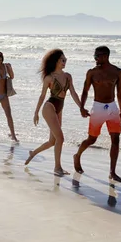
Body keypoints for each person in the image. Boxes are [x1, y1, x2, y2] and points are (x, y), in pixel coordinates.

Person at [25, 49, 82, 177]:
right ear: (56, 61)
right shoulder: (49, 77)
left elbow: (73, 93)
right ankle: (57, 167)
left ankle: (33, 153)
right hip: (49, 107)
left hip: (59, 108)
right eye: (62, 59)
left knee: (52, 141)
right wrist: (36, 112)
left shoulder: (68, 76)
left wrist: (81, 107)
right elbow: (42, 96)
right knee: (60, 138)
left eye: (65, 60)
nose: (64, 62)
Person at [73, 46, 121, 182]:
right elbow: (85, 91)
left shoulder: (117, 72)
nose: (95, 59)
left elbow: (120, 92)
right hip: (98, 107)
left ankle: (112, 172)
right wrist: (82, 107)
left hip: (112, 107)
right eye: (94, 56)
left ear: (105, 56)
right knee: (92, 139)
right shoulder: (92, 72)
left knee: (116, 139)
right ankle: (77, 155)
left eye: (97, 56)